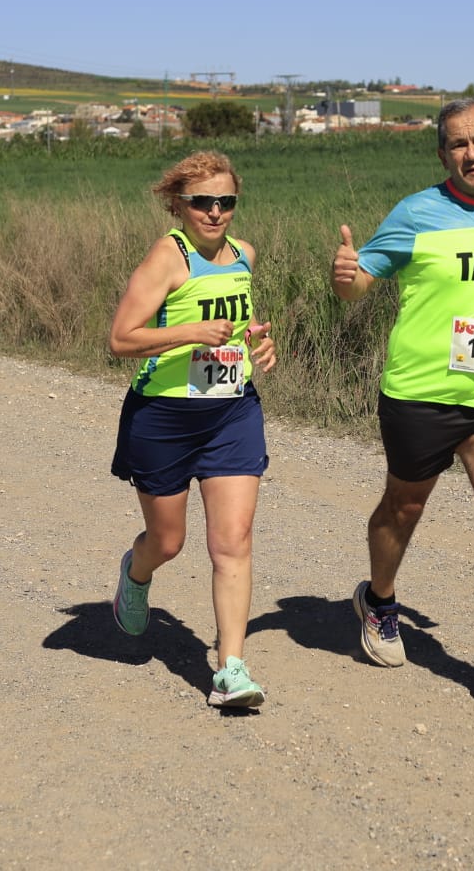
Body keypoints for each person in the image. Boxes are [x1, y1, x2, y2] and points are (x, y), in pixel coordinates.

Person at [330, 96, 474, 700]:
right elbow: (363, 284)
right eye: (459, 144)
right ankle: (378, 599)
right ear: (443, 154)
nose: (472, 153)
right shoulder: (416, 213)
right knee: (404, 509)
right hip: (421, 392)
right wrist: (347, 276)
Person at [107, 150, 277, 709]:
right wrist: (185, 333)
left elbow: (237, 326)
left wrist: (258, 342)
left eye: (226, 202)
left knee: (232, 543)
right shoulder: (167, 258)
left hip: (232, 411)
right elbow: (122, 338)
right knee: (169, 541)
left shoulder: (244, 255)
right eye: (202, 202)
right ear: (178, 204)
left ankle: (231, 667)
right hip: (165, 417)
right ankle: (136, 574)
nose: (215, 212)